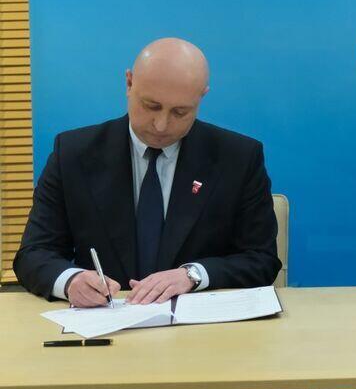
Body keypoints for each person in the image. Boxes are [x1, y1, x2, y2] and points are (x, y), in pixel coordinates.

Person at [15, 38, 281, 306]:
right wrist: (71, 281)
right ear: (129, 83)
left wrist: (194, 275)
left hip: (199, 323)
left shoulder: (238, 158)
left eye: (180, 112)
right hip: (107, 319)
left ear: (202, 96)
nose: (161, 125)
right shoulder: (73, 154)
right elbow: (34, 254)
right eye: (151, 106)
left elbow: (261, 260)